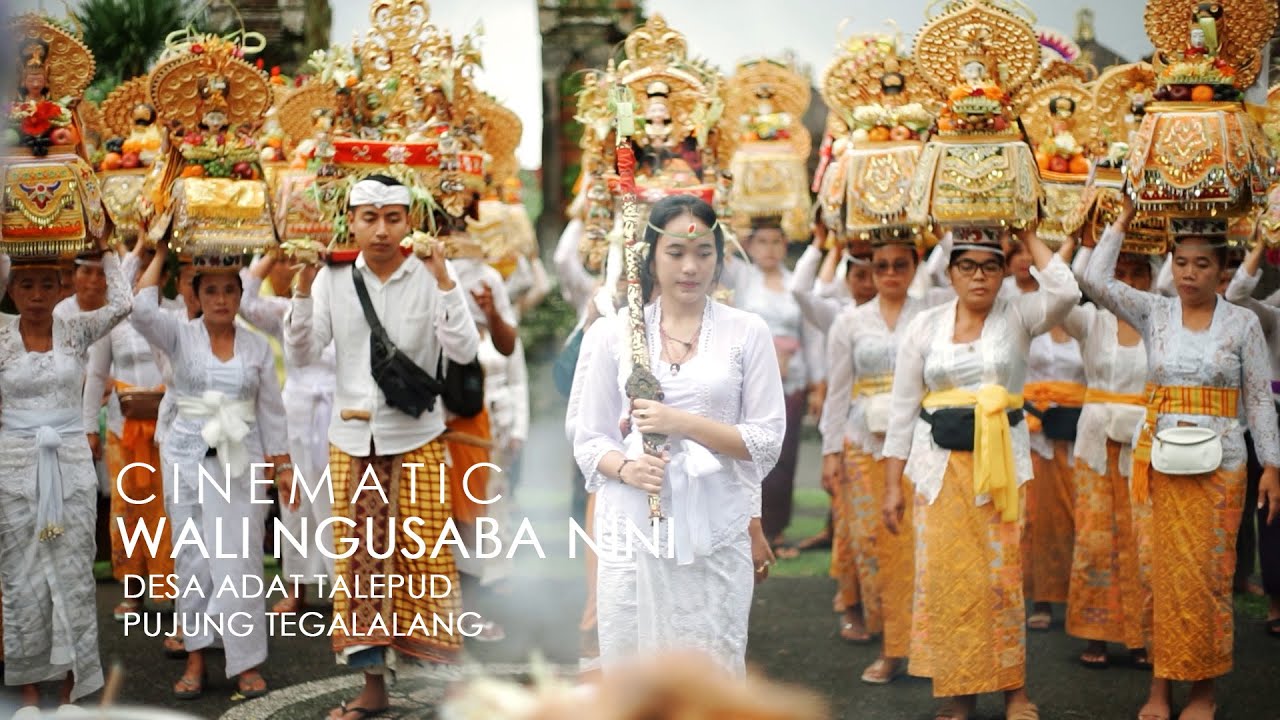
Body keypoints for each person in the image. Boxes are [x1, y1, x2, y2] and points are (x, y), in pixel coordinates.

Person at [287, 174, 481, 720]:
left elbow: (464, 350)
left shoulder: (430, 274)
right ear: (350, 220)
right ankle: (373, 688)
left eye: (393, 218)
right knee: (363, 571)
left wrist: (445, 279)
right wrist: (301, 289)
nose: (380, 230)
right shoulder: (331, 277)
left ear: (409, 222)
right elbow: (303, 353)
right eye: (369, 218)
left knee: (426, 563)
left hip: (417, 437)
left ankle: (445, 686)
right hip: (351, 441)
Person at [572, 194, 785, 675]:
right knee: (633, 666)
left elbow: (767, 439)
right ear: (650, 256)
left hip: (716, 521)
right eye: (676, 253)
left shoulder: (747, 331)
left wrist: (680, 423)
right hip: (631, 521)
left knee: (709, 662)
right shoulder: (615, 334)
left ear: (719, 258)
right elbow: (589, 440)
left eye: (704, 253)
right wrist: (627, 468)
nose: (691, 267)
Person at [1084, 203, 1280, 720]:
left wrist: (1274, 467)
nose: (1189, 273)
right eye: (1181, 262)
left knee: (1210, 577)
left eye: (1201, 264)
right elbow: (1093, 277)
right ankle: (1160, 688)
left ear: (1222, 270)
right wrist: (1122, 220)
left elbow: (1258, 398)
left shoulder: (1242, 323)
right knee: (1158, 575)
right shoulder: (1155, 311)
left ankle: (1203, 692)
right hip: (1160, 462)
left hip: (1223, 466)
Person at [883, 224, 1081, 720]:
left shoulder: (1018, 315)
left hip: (1000, 469)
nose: (979, 277)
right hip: (937, 467)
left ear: (1003, 272)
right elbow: (903, 407)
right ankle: (957, 693)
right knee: (946, 578)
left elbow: (1066, 290)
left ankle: (1014, 691)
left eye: (991, 266)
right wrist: (891, 483)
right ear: (948, 273)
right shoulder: (924, 325)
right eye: (967, 266)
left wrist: (1028, 234)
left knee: (1001, 578)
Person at [131, 238, 292, 701]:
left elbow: (272, 412)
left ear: (241, 297)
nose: (221, 299)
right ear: (195, 296)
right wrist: (158, 252)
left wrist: (282, 467)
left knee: (241, 563)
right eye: (211, 291)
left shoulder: (257, 348)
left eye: (229, 290)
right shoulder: (180, 334)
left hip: (241, 463)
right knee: (194, 561)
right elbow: (140, 310)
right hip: (185, 458)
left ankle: (246, 662)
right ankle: (197, 657)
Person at [0, 242, 130, 716]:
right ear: (10, 288)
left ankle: (69, 692)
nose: (35, 294)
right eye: (25, 284)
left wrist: (106, 247)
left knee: (73, 576)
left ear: (62, 287)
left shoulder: (76, 328)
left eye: (45, 284)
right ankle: (30, 694)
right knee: (21, 578)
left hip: (71, 463)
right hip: (14, 467)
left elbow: (123, 304)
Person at [819, 236, 923, 680]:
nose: (891, 274)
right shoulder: (850, 322)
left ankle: (921, 645)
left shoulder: (932, 315)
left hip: (920, 442)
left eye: (901, 264)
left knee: (917, 545)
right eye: (881, 266)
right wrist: (830, 451)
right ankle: (889, 642)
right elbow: (838, 389)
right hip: (863, 442)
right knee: (871, 543)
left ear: (916, 267)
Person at [1063, 232, 1154, 669]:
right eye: (1122, 271)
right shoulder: (1091, 320)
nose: (1130, 280)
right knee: (1095, 538)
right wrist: (1091, 231)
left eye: (1140, 272)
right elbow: (1069, 281)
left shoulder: (1161, 321)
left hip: (1143, 445)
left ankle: (1139, 635)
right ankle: (1095, 633)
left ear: (1154, 279)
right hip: (1095, 442)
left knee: (1141, 539)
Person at [236, 252, 337, 614]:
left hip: (339, 413)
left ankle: (346, 591)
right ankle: (297, 590)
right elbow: (245, 302)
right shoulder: (287, 309)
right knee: (294, 501)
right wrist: (274, 247)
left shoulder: (353, 308)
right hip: (294, 412)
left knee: (340, 501)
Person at [734, 217, 824, 553]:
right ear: (750, 245)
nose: (769, 249)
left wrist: (818, 382)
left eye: (776, 242)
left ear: (786, 245)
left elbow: (811, 335)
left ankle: (778, 528)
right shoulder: (743, 280)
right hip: (748, 381)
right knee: (748, 453)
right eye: (762, 242)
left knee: (784, 456)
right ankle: (745, 522)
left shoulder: (795, 284)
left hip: (791, 380)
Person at [1223, 238, 1280, 634]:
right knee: (1273, 511)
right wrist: (1262, 241)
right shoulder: (1275, 311)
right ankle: (1277, 602)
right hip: (1276, 416)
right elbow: (1236, 293)